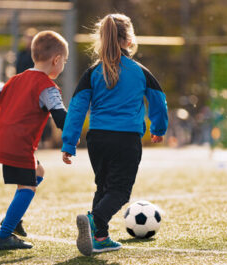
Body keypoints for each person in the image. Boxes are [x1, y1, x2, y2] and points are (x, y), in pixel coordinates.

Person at [61, 14, 168, 256]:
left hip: (97, 139)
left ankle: (100, 237)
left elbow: (77, 107)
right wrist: (158, 128)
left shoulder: (93, 72)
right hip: (126, 138)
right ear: (129, 40)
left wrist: (69, 141)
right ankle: (94, 219)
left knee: (104, 186)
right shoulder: (139, 71)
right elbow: (158, 102)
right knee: (119, 191)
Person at [0, 30, 68, 250]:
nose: (63, 65)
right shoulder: (47, 87)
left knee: (38, 173)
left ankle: (13, 220)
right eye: (64, 61)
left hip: (5, 140)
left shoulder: (15, 79)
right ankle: (4, 235)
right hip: (19, 145)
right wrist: (73, 138)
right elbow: (61, 118)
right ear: (56, 60)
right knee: (28, 187)